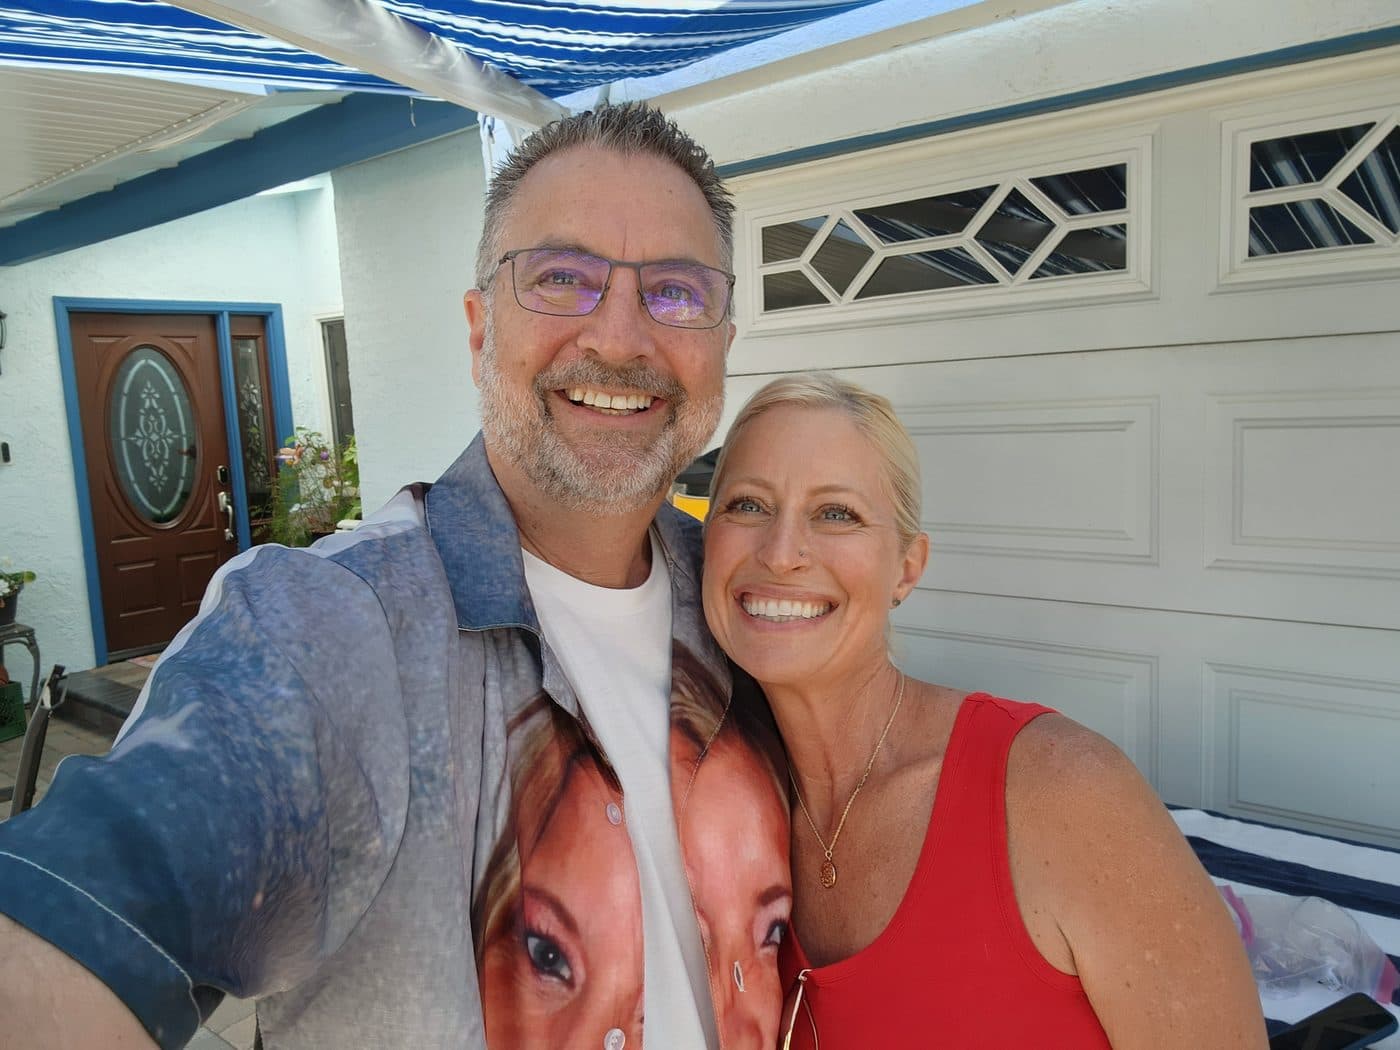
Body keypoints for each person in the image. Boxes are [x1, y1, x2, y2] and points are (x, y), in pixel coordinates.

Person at [0, 102, 777, 1050]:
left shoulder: (738, 607)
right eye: (562, 278)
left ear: (724, 339)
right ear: (479, 325)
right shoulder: (329, 633)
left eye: (677, 292)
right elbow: (88, 919)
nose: (619, 335)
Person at [700, 373, 1269, 1049]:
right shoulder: (712, 808)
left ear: (907, 569)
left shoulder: (1062, 791)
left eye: (837, 514)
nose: (780, 552)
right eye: (747, 505)